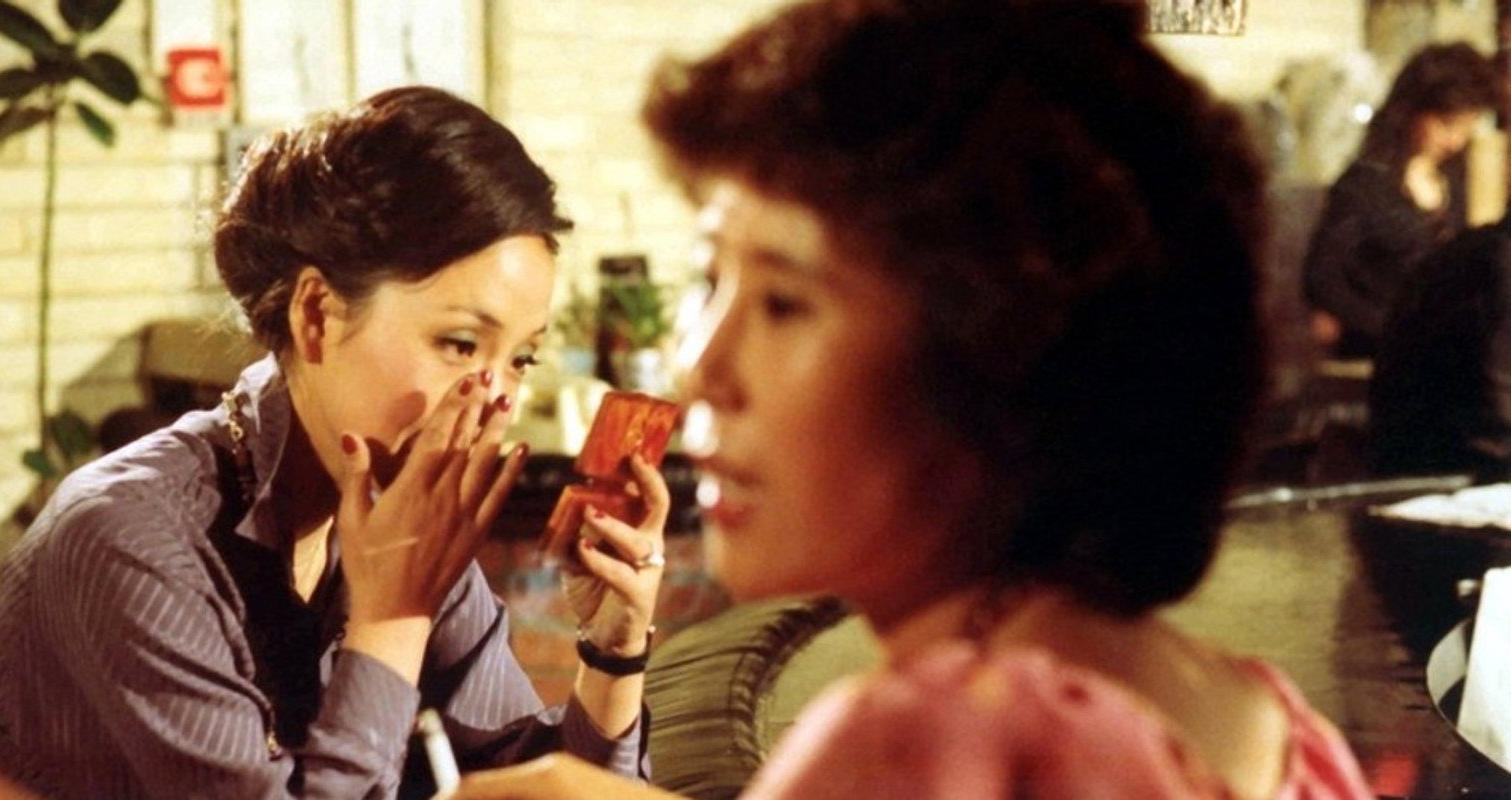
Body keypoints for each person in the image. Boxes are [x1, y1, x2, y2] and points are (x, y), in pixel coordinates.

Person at [448, 1, 1375, 798]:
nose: (697, 366)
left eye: (782, 301)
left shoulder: (924, 736)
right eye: (707, 279)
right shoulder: (1275, 723)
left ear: (990, 355)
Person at [0, 86, 669, 799]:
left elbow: (549, 789)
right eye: (459, 343)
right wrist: (391, 615)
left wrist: (611, 652)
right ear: (317, 315)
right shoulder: (127, 539)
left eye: (521, 358)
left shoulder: (400, 512)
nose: (498, 397)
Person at [1302, 42, 1499, 358]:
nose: (1455, 140)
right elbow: (1322, 279)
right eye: (1446, 125)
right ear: (1413, 110)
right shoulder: (1366, 183)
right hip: (1379, 357)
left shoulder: (1459, 179)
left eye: (1465, 127)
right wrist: (1395, 327)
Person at [1368, 217, 1511, 480]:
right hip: (1450, 477)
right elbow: (1497, 420)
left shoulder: (1469, 249)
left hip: (1417, 472)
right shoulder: (1499, 262)